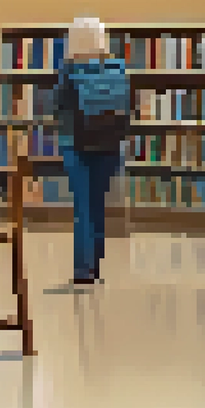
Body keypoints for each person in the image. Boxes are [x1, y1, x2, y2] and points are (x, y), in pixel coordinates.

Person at [56, 17, 130, 286]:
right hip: (109, 145)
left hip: (75, 145)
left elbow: (59, 107)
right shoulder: (115, 69)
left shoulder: (68, 71)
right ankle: (96, 266)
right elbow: (125, 108)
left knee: (82, 207)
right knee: (98, 205)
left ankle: (82, 269)